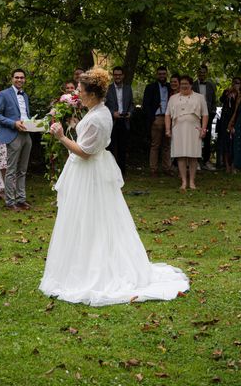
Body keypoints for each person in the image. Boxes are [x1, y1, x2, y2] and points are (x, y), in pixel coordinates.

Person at [39, 68, 189, 306]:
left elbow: (85, 152)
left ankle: (93, 269)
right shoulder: (99, 111)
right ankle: (84, 259)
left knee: (92, 218)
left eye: (80, 90)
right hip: (93, 172)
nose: (78, 93)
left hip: (89, 173)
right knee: (92, 218)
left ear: (92, 92)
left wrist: (60, 135)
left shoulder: (98, 117)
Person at [0, 68, 33, 211]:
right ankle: (10, 201)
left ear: (25, 79)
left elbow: (25, 115)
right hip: (13, 134)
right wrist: (13, 123)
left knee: (22, 170)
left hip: (26, 134)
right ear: (12, 79)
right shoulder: (4, 94)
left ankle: (21, 199)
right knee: (11, 170)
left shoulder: (25, 96)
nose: (19, 80)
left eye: (22, 78)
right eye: (17, 77)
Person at [165, 75, 209, 190]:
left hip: (194, 128)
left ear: (191, 85)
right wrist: (168, 129)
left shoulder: (199, 97)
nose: (184, 86)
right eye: (182, 84)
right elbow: (167, 114)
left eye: (186, 84)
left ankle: (192, 181)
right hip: (178, 128)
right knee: (181, 155)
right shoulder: (173, 98)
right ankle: (184, 181)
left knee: (193, 155)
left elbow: (205, 114)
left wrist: (203, 129)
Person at [142, 66, 172, 177]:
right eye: (160, 74)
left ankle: (167, 168)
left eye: (164, 73)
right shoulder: (150, 87)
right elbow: (146, 105)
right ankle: (153, 169)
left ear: (166, 74)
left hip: (169, 118)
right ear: (156, 75)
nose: (162, 76)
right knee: (155, 145)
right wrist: (153, 118)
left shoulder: (170, 87)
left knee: (167, 145)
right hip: (157, 118)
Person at [105, 66, 134, 177]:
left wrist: (130, 113)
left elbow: (131, 104)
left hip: (124, 121)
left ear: (123, 76)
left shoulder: (128, 88)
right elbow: (104, 105)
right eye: (115, 75)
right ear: (113, 76)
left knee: (123, 149)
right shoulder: (108, 89)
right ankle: (110, 173)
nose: (117, 76)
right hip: (112, 122)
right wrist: (113, 113)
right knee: (110, 148)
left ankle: (122, 173)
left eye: (119, 74)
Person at [192, 64, 217, 170]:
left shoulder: (211, 85)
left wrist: (213, 111)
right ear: (197, 73)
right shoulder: (192, 85)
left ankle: (206, 161)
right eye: (200, 72)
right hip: (196, 115)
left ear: (206, 73)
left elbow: (213, 100)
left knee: (207, 138)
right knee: (195, 137)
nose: (202, 74)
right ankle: (196, 161)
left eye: (203, 72)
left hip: (208, 115)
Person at [217, 77, 241, 173]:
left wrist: (238, 93)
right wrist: (228, 93)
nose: (236, 84)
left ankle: (234, 165)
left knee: (235, 143)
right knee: (226, 143)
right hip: (225, 120)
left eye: (238, 83)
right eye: (234, 83)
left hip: (237, 120)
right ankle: (227, 165)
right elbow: (221, 100)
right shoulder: (227, 92)